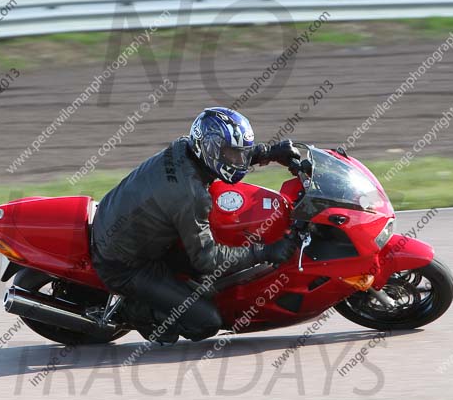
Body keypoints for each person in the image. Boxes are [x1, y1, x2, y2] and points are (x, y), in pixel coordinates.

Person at [90, 107, 300, 343]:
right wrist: (263, 251)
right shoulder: (191, 195)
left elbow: (220, 157)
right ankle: (132, 310)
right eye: (233, 153)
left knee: (209, 275)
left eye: (239, 153)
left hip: (119, 222)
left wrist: (267, 153)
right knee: (205, 322)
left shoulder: (184, 148)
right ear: (208, 148)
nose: (237, 160)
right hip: (124, 264)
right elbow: (206, 259)